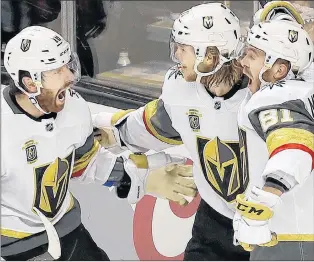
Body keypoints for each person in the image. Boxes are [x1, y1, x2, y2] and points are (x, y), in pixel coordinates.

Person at [1, 26, 197, 261]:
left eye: (67, 64)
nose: (70, 76)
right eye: (56, 70)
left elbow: (86, 162)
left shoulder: (74, 108)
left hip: (65, 229)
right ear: (30, 84)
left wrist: (140, 177)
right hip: (13, 246)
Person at [93, 2, 250, 260]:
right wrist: (109, 132)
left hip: (269, 225)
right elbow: (147, 126)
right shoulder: (181, 93)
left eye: (183, 49)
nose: (176, 56)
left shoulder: (264, 99)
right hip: (214, 223)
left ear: (209, 57)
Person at [233, 19, 314, 260]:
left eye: (252, 56)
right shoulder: (300, 92)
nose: (243, 62)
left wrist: (262, 203)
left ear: (278, 70)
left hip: (291, 239)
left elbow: (295, 147)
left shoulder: (276, 95)